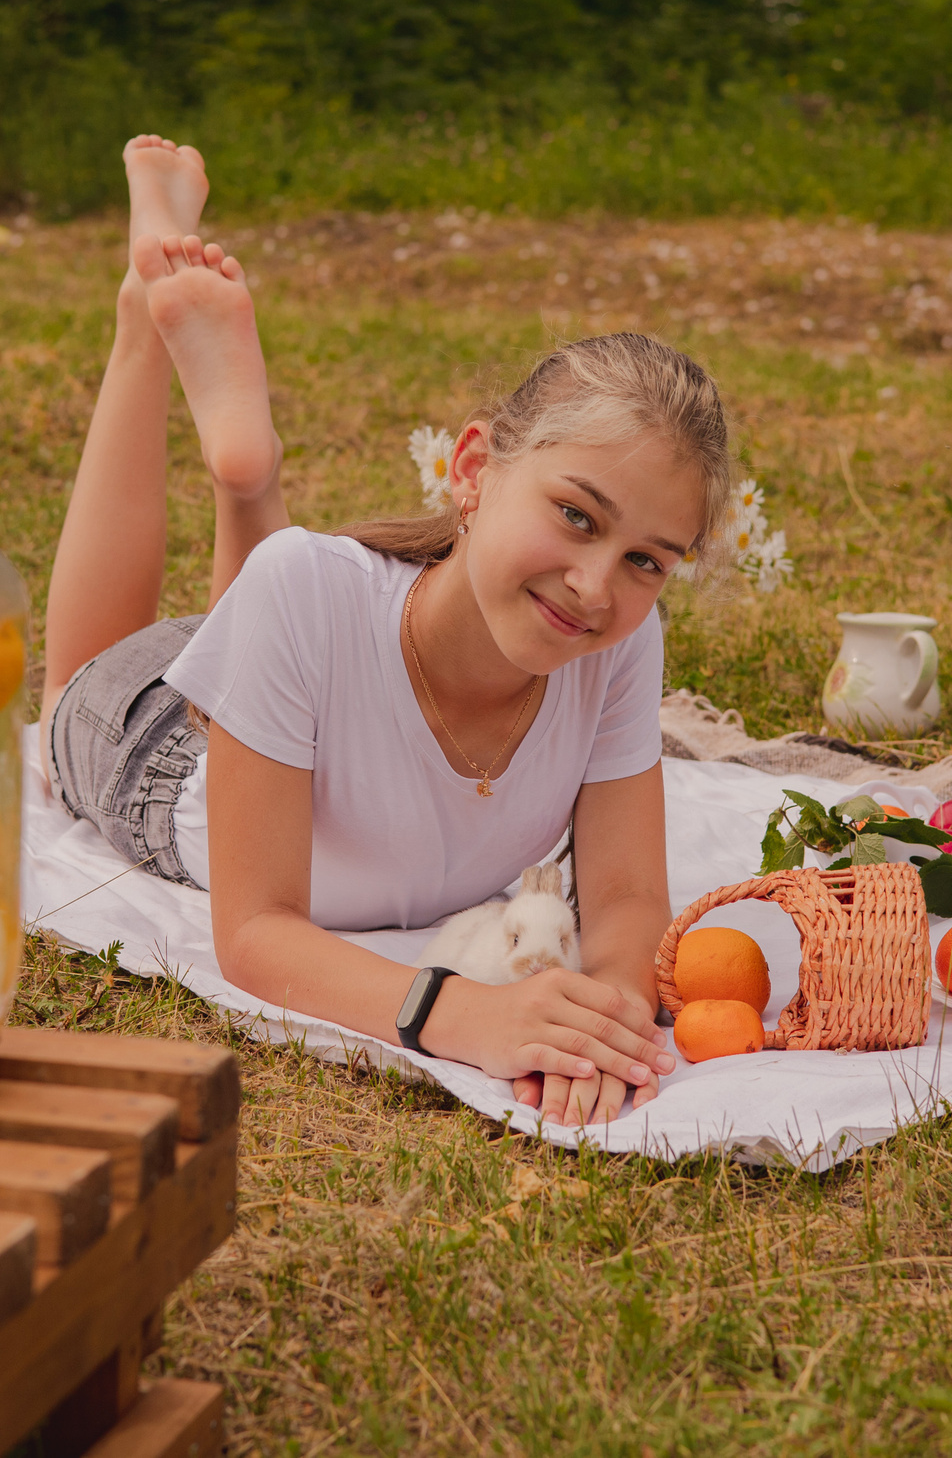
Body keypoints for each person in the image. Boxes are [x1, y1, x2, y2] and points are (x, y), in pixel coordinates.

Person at [40, 136, 734, 1125]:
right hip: (155, 750)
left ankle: (246, 483)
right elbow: (254, 933)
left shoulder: (618, 637)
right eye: (576, 515)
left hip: (294, 650)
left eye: (646, 561)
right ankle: (146, 330)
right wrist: (472, 1018)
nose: (593, 585)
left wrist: (605, 1017)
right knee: (69, 683)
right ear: (472, 469)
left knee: (282, 601)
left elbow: (625, 898)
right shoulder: (312, 589)